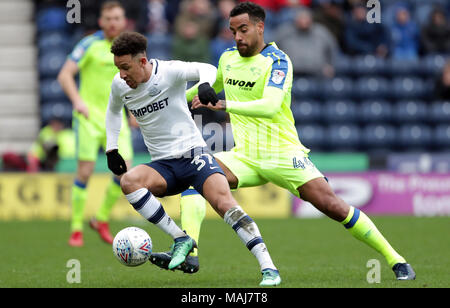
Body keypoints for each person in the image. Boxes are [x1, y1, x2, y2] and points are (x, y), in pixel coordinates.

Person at [152, 1, 416, 281]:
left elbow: (269, 105)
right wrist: (164, 101)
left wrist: (223, 104)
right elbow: (207, 86)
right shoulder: (228, 57)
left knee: (334, 207)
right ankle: (190, 252)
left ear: (259, 27)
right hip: (244, 156)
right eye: (233, 31)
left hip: (283, 154)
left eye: (243, 30)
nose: (238, 37)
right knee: (198, 175)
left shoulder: (278, 61)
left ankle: (396, 260)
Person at [106, 31, 281, 286]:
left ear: (142, 61)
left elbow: (206, 69)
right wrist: (112, 149)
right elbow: (112, 112)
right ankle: (181, 238)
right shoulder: (119, 84)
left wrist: (205, 85)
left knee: (225, 204)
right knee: (129, 181)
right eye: (118, 68)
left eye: (125, 67)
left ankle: (269, 268)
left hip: (193, 155)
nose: (122, 74)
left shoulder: (169, 72)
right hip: (163, 165)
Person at [57, 1, 134, 247]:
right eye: (108, 18)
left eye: (117, 18)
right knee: (85, 172)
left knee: (125, 172)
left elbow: (134, 82)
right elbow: (64, 74)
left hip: (116, 120)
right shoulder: (89, 44)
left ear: (124, 22)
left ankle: (100, 219)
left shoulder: (129, 49)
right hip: (89, 119)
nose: (113, 23)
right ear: (101, 21)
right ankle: (76, 228)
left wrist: (134, 112)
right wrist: (78, 101)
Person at [274, 7, 338, 77]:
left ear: (311, 19)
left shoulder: (321, 32)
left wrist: (330, 65)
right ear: (295, 19)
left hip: (317, 74)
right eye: (301, 17)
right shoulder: (284, 31)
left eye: (306, 17)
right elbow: (271, 49)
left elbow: (333, 50)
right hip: (290, 74)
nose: (304, 21)